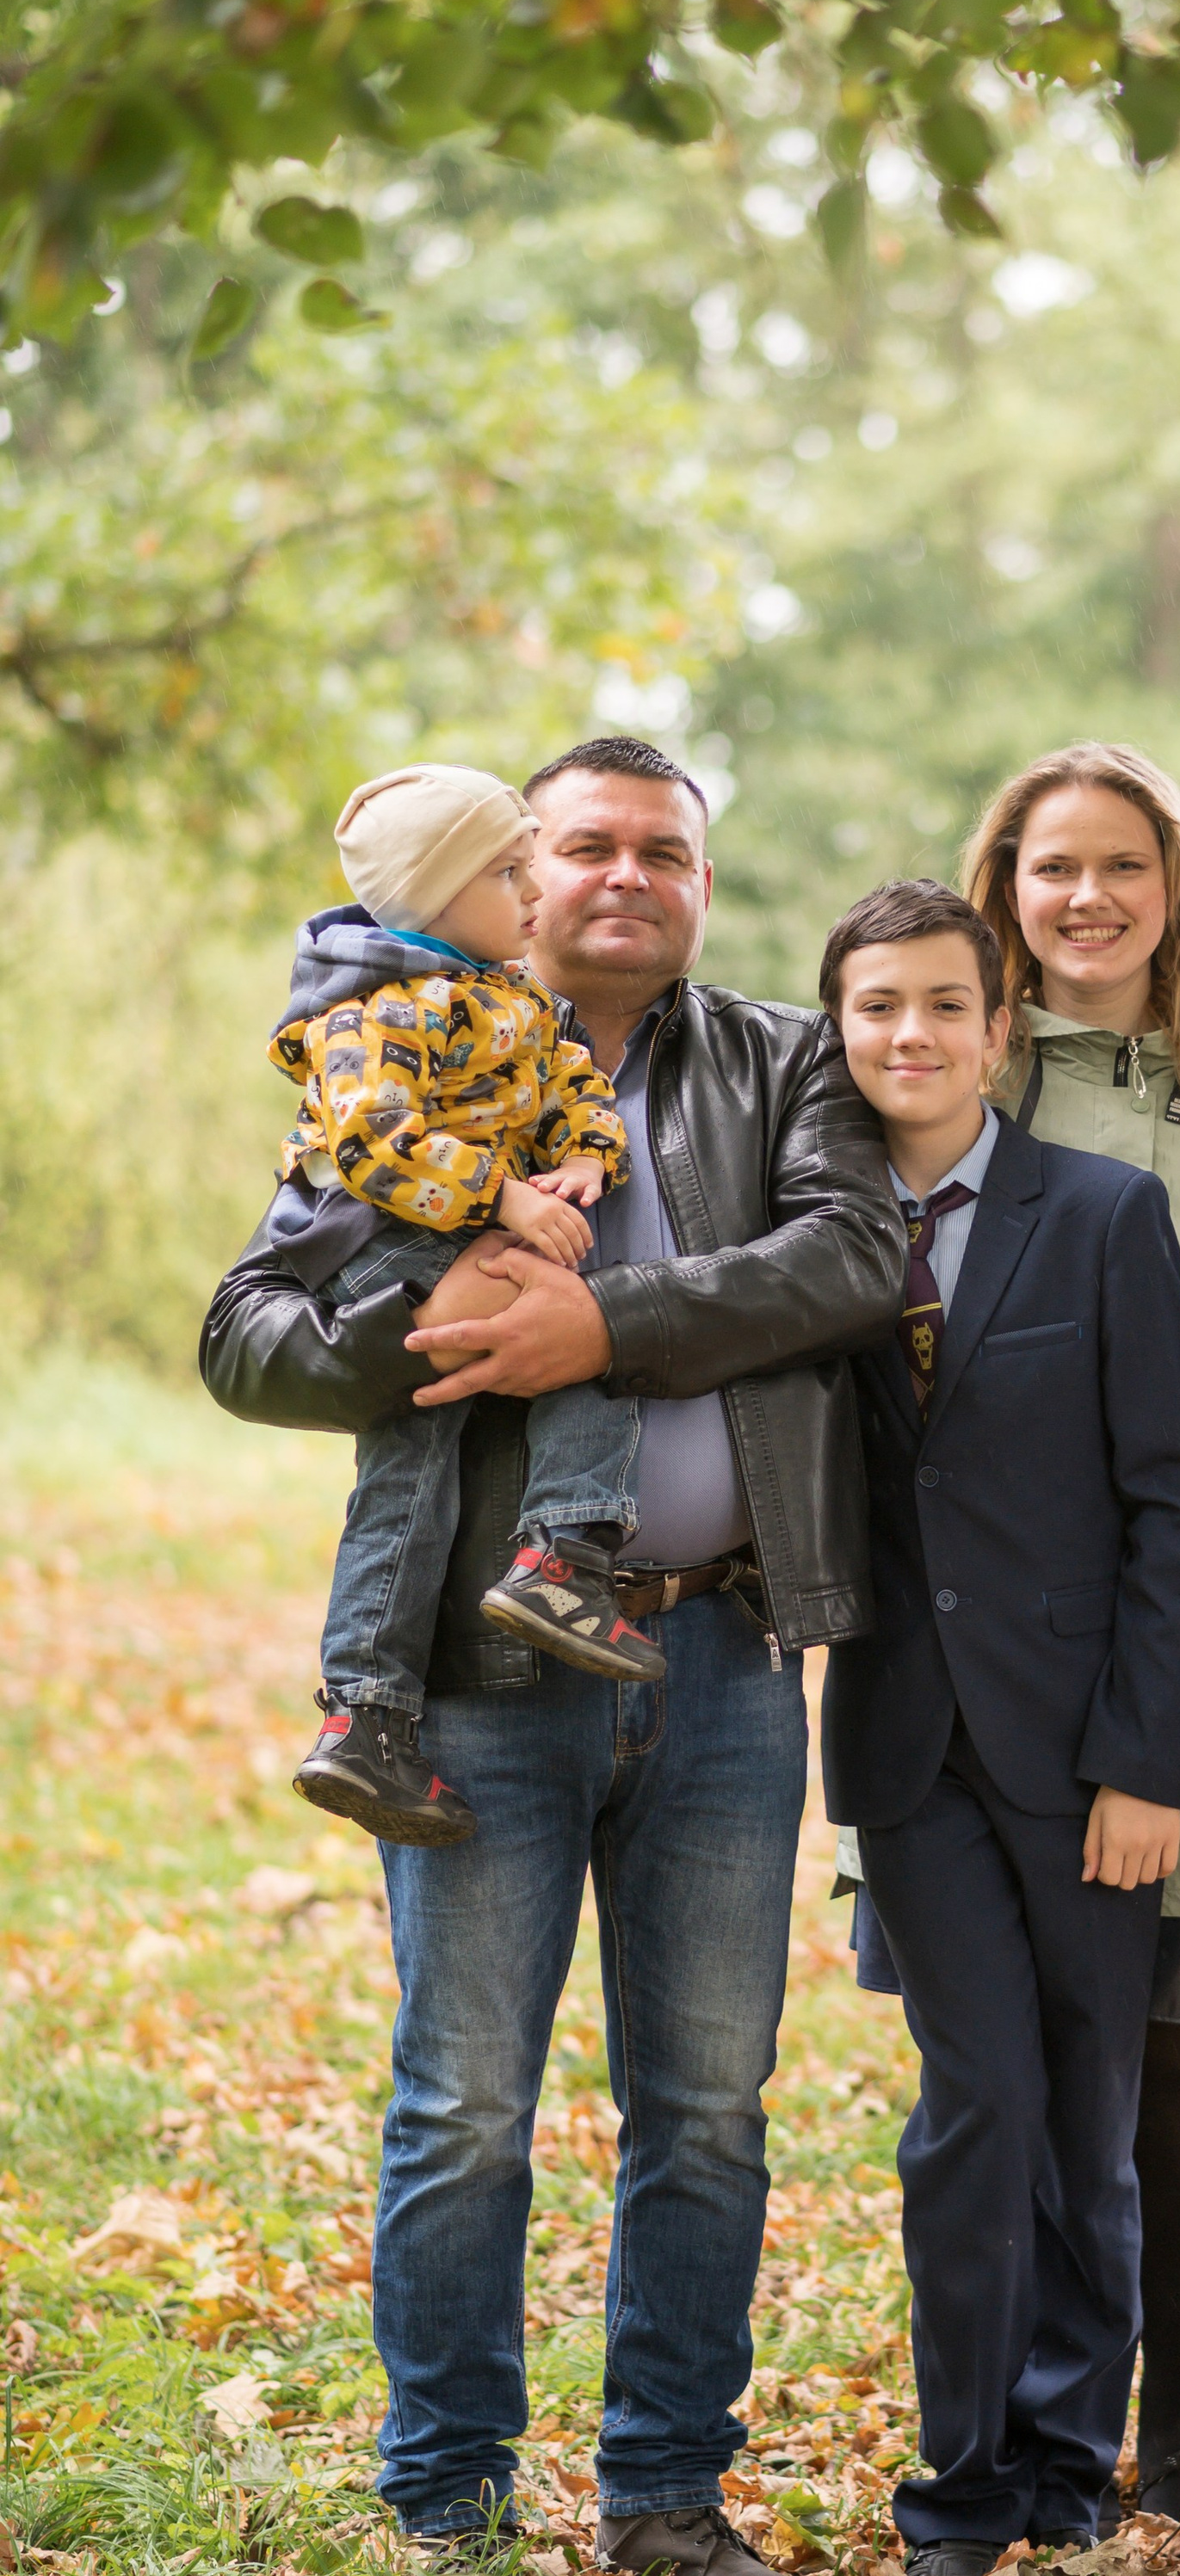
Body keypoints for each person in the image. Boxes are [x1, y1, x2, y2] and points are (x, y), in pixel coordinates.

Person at [201, 735, 906, 2576]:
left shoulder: (780, 1061)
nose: (623, 874)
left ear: (701, 885)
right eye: (583, 843)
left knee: (708, 2108)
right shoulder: (408, 1048)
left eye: (664, 850)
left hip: (722, 1655)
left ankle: (667, 2498)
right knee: (464, 2103)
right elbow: (244, 1330)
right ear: (517, 869)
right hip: (473, 1670)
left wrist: (601, 1322)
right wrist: (412, 1318)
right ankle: (446, 2502)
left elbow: (853, 1253)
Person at [818, 878, 1180, 2576]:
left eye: (942, 1004)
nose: (909, 1033)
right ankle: (962, 2486)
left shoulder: (1104, 1213)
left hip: (1082, 1757)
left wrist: (1146, 1759)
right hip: (908, 1747)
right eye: (875, 1006)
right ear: (839, 1033)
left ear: (999, 1029)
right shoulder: (811, 1228)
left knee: (1086, 2114)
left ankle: (1070, 2473)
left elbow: (1170, 1502)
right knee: (970, 2106)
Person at [954, 743, 1180, 2533]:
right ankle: (1014, 2427)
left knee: (1179, 2038)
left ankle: (1170, 2426)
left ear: (1176, 886)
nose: (1085, 897)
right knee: (1005, 2049)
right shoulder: (949, 1070)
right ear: (1003, 889)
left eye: (1120, 864)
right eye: (1051, 867)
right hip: (993, 1607)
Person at [269, 764, 667, 1852]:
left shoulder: (510, 995)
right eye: (507, 872)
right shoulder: (378, 1007)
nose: (534, 889)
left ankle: (372, 1712)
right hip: (378, 1243)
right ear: (432, 894)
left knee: (418, 1464)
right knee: (574, 1339)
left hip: (453, 1227)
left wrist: (585, 1155)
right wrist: (504, 1196)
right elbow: (368, 1142)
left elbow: (570, 1083)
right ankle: (555, 1562)